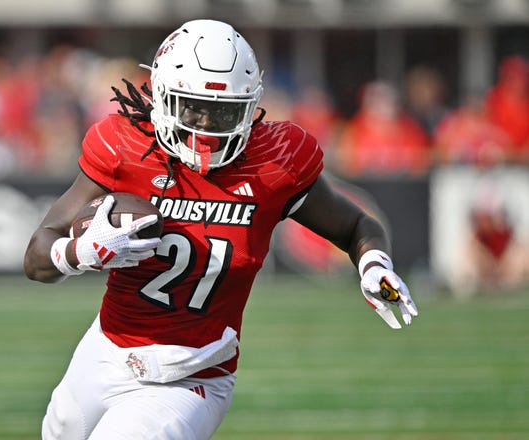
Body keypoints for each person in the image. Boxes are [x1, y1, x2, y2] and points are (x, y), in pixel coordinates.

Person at [24, 19, 418, 440]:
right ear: (161, 96)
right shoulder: (126, 147)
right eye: (193, 107)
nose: (207, 129)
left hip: (189, 376)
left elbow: (357, 223)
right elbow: (36, 255)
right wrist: (81, 252)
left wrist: (373, 263)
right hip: (102, 353)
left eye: (224, 112)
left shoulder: (276, 163)